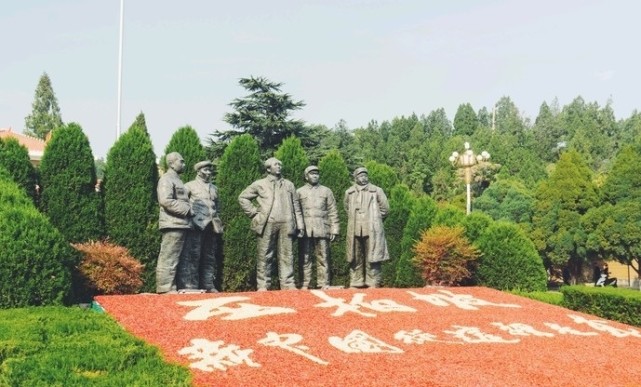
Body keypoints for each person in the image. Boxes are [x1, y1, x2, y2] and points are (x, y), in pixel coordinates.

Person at [238, 157, 304, 291]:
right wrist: (255, 213)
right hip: (267, 223)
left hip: (287, 223)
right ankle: (263, 285)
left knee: (287, 254)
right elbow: (243, 198)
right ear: (268, 169)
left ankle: (288, 284)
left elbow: (296, 205)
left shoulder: (289, 184)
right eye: (275, 164)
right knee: (265, 254)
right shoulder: (260, 184)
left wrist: (300, 224)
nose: (279, 166)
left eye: (280, 164)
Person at [180, 160, 223, 293]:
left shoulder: (214, 188)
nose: (208, 172)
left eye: (210, 170)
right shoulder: (189, 186)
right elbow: (182, 204)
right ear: (198, 171)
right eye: (205, 170)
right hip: (196, 225)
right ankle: (190, 285)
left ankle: (208, 284)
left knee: (209, 256)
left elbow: (217, 206)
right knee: (193, 255)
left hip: (212, 226)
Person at [344, 167, 390, 288]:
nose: (363, 177)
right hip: (355, 228)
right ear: (355, 178)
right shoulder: (349, 192)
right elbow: (346, 208)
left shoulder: (376, 191)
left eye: (365, 175)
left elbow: (385, 209)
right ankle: (356, 281)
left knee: (373, 256)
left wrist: (376, 220)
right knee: (355, 256)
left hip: (371, 228)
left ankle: (373, 281)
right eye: (360, 175)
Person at [297, 166, 340, 290]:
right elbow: (296, 211)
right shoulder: (299, 192)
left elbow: (333, 211)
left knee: (324, 257)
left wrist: (335, 229)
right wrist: (297, 229)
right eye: (312, 174)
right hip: (305, 229)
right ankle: (306, 283)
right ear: (306, 176)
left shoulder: (326, 191)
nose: (315, 176)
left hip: (322, 228)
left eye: (316, 174)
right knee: (305, 257)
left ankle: (324, 283)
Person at [156, 152, 192, 294]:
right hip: (173, 223)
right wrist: (187, 210)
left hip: (181, 223)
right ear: (171, 163)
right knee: (169, 257)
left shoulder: (177, 180)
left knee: (181, 258)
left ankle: (177, 287)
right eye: (181, 162)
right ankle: (165, 289)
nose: (184, 164)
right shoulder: (166, 179)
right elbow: (165, 200)